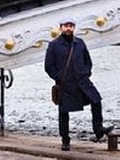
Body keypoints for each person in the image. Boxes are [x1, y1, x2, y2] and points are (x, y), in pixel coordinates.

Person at [44, 16, 113, 151]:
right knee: (64, 112)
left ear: (74, 28)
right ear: (61, 28)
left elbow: (88, 61)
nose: (69, 28)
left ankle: (98, 129)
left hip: (82, 81)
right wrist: (58, 77)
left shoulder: (80, 43)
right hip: (66, 83)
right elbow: (48, 66)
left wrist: (86, 72)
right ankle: (65, 139)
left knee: (96, 100)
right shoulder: (54, 45)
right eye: (66, 26)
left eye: (71, 26)